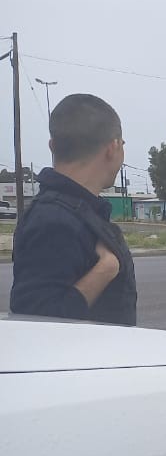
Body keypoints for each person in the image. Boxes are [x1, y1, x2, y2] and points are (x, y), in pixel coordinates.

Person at [9, 94, 136, 326]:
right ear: (113, 147)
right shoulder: (53, 221)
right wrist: (106, 269)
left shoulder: (77, 213)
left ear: (52, 146)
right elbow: (36, 324)